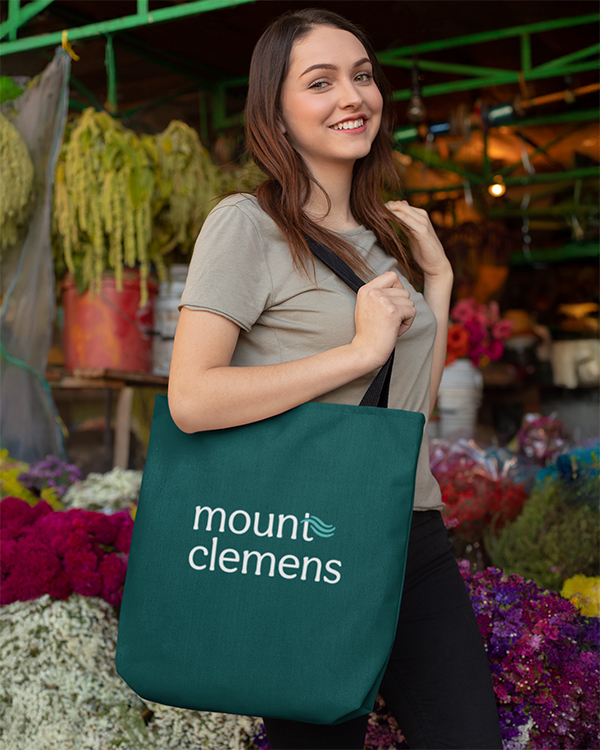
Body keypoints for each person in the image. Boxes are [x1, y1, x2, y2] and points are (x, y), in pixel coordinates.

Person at [169, 8, 503, 750]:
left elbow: (407, 407)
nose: (353, 96)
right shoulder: (246, 225)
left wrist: (437, 282)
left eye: (361, 76)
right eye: (320, 82)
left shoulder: (385, 237)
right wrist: (354, 352)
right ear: (277, 114)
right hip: (308, 537)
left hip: (412, 536)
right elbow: (191, 398)